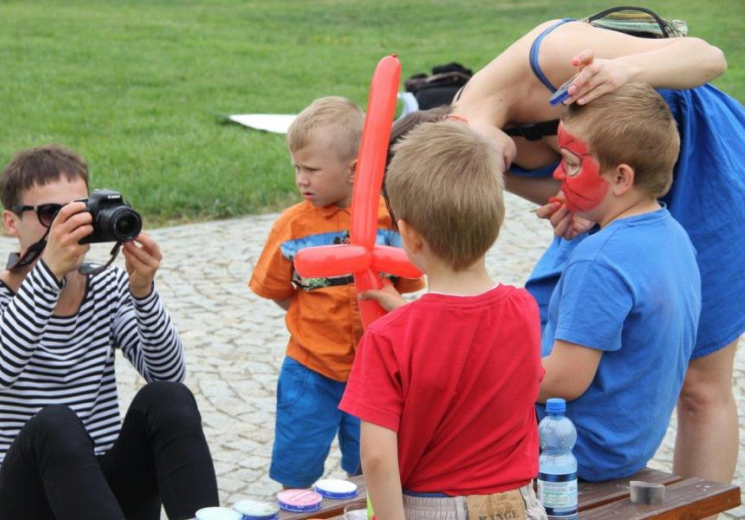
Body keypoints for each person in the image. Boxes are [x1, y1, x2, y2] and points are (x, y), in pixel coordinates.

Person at [387, 15, 743, 486]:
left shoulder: (545, 55)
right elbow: (583, 204)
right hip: (630, 201)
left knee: (700, 386)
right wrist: (577, 212)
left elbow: (709, 57)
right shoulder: (494, 159)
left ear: (452, 132)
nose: (490, 186)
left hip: (710, 169)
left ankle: (698, 502)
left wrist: (624, 72)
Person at [0, 145, 219, 520]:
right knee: (55, 424)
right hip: (14, 499)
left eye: (80, 211)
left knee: (168, 399)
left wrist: (143, 292)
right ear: (11, 222)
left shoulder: (107, 287)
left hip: (96, 496)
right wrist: (49, 272)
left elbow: (166, 373)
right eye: (53, 213)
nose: (71, 226)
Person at [340, 120, 545, 520]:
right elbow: (474, 348)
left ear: (410, 237)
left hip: (432, 508)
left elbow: (378, 458)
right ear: (497, 222)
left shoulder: (387, 339)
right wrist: (407, 313)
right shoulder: (523, 309)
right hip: (519, 504)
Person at [248, 96, 424, 489]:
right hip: (311, 368)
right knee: (298, 463)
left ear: (354, 170)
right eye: (296, 168)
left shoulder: (390, 218)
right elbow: (278, 289)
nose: (301, 180)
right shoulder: (292, 227)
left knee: (369, 465)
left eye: (311, 169)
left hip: (375, 369)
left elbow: (407, 284)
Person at [536, 82, 701, 480]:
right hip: (624, 445)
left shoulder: (600, 260)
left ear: (621, 177)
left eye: (572, 164)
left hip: (575, 451)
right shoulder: (671, 235)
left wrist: (480, 373)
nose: (559, 173)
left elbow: (563, 380)